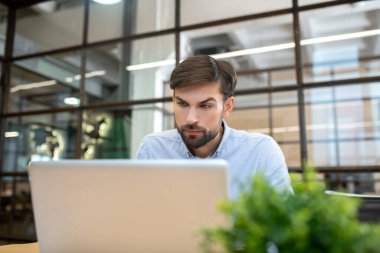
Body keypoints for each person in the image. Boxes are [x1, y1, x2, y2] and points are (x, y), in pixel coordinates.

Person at [136, 55, 293, 198]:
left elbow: (285, 221)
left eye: (205, 106)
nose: (191, 119)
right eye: (182, 104)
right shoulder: (153, 149)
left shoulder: (260, 151)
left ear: (227, 107)